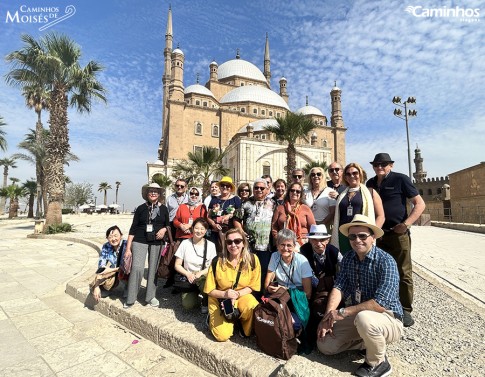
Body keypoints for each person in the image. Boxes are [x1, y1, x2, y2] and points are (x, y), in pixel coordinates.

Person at [317, 214, 403, 377]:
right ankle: (369, 343)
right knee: (325, 345)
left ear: (372, 237)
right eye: (352, 236)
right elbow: (339, 287)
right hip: (359, 316)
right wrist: (328, 317)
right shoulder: (349, 258)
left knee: (365, 319)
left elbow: (380, 303)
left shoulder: (386, 261)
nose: (357, 240)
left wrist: (342, 312)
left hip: (388, 317)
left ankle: (378, 362)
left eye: (362, 235)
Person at [366, 153, 426, 327]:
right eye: (376, 164)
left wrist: (405, 225)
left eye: (383, 164)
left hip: (398, 235)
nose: (380, 167)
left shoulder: (401, 179)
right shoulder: (370, 184)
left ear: (390, 165)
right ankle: (382, 304)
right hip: (378, 235)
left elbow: (420, 204)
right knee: (379, 271)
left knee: (403, 272)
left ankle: (405, 309)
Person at [204, 228, 261, 341]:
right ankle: (211, 318)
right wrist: (226, 294)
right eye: (229, 242)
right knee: (222, 336)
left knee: (252, 308)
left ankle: (240, 322)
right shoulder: (217, 261)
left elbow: (252, 286)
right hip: (220, 297)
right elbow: (209, 290)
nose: (233, 245)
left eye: (237, 241)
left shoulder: (252, 260)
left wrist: (235, 294)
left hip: (241, 295)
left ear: (243, 243)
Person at [264, 229, 313, 353]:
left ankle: (291, 337)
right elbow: (267, 282)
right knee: (270, 317)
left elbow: (308, 293)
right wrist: (269, 287)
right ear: (277, 245)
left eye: (289, 245)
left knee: (294, 324)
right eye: (282, 244)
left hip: (297, 297)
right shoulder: (275, 256)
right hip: (281, 296)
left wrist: (286, 290)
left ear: (294, 245)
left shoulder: (302, 261)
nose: (285, 248)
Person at [124, 183, 169, 309]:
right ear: (147, 193)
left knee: (153, 269)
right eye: (151, 191)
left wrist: (164, 230)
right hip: (140, 239)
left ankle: (150, 296)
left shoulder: (164, 209)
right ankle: (131, 297)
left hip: (157, 241)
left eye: (156, 191)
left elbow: (168, 224)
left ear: (159, 194)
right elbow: (133, 228)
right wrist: (128, 249)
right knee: (137, 268)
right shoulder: (140, 208)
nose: (153, 193)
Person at [301, 224, 342, 346]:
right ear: (310, 240)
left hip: (330, 287)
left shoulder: (334, 251)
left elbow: (344, 269)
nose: (318, 243)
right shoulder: (303, 251)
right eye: (314, 240)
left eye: (322, 240)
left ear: (327, 240)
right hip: (311, 285)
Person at [331, 163, 385, 255]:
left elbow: (381, 216)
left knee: (363, 261)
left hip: (361, 235)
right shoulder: (342, 194)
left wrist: (373, 234)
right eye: (348, 174)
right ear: (345, 177)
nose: (351, 176)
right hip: (343, 235)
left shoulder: (370, 192)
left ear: (360, 174)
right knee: (345, 261)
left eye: (355, 173)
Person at [234, 178, 276, 296]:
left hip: (265, 246)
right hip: (249, 245)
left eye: (262, 188)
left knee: (263, 271)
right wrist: (241, 232)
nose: (259, 190)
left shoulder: (273, 203)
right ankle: (248, 294)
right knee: (248, 270)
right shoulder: (246, 203)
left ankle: (261, 296)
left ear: (267, 190)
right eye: (256, 188)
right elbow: (236, 219)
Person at [174, 218, 217, 313]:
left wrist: (200, 273)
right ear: (192, 228)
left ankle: (205, 300)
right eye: (196, 228)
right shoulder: (185, 243)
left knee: (205, 282)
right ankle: (195, 293)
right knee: (188, 305)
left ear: (206, 231)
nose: (199, 231)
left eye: (202, 229)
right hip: (188, 275)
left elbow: (212, 266)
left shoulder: (211, 245)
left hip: (203, 275)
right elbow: (177, 265)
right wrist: (188, 274)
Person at [272, 182, 316, 247]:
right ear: (288, 192)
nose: (295, 193)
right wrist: (278, 240)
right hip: (283, 242)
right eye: (292, 190)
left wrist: (309, 242)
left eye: (298, 191)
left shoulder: (306, 208)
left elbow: (313, 228)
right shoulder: (280, 208)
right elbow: (274, 227)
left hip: (302, 242)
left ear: (301, 194)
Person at [90, 225, 127, 302]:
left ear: (121, 235)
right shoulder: (106, 246)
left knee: (128, 272)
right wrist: (96, 286)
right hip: (114, 270)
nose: (113, 239)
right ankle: (109, 287)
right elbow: (101, 265)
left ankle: (128, 287)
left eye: (116, 236)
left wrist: (110, 270)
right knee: (96, 290)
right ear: (107, 238)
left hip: (125, 271)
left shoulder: (126, 245)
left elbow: (127, 266)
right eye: (110, 237)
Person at [207, 176, 242, 254]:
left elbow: (239, 215)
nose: (225, 187)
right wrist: (213, 224)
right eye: (223, 185)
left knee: (229, 253)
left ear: (231, 188)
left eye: (227, 185)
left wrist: (229, 215)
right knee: (215, 253)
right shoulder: (214, 199)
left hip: (230, 232)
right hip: (215, 232)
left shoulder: (236, 199)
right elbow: (208, 216)